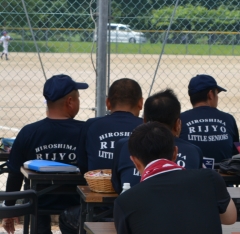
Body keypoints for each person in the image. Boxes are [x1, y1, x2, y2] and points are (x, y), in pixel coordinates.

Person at [113, 122, 237, 234]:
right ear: (175, 153)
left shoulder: (124, 201)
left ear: (134, 161)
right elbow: (230, 219)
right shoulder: (210, 178)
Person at [3, 75, 88, 234]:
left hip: (39, 202)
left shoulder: (29, 132)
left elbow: (15, 173)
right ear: (70, 102)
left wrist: (9, 208)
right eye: (78, 98)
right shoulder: (86, 131)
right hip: (77, 202)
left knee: (37, 203)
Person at [111, 89, 203, 194]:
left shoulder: (124, 145)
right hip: (179, 203)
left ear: (144, 121)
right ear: (177, 124)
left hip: (134, 203)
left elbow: (117, 186)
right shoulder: (193, 151)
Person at [78, 78, 144, 172]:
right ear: (140, 103)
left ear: (108, 103)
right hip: (136, 181)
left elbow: (82, 164)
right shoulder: (147, 127)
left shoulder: (91, 125)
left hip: (97, 180)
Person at [179, 74, 240, 169]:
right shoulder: (228, 119)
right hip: (222, 177)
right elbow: (236, 152)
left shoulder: (180, 120)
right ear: (210, 94)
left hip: (190, 176)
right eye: (217, 93)